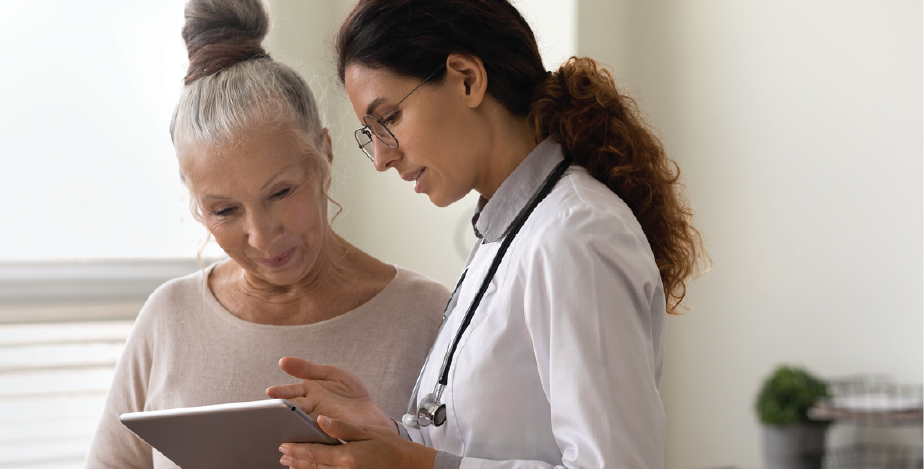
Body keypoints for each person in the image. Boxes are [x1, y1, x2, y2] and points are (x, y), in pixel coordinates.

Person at [267, 0, 707, 468]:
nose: (381, 158)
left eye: (390, 118)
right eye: (369, 132)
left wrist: (417, 465)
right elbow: (490, 441)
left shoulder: (575, 234)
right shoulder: (509, 233)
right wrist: (389, 434)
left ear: (467, 79)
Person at [84, 0, 450, 467]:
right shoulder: (167, 320)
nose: (261, 236)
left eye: (280, 193)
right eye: (225, 210)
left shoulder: (428, 317)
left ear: (324, 154)